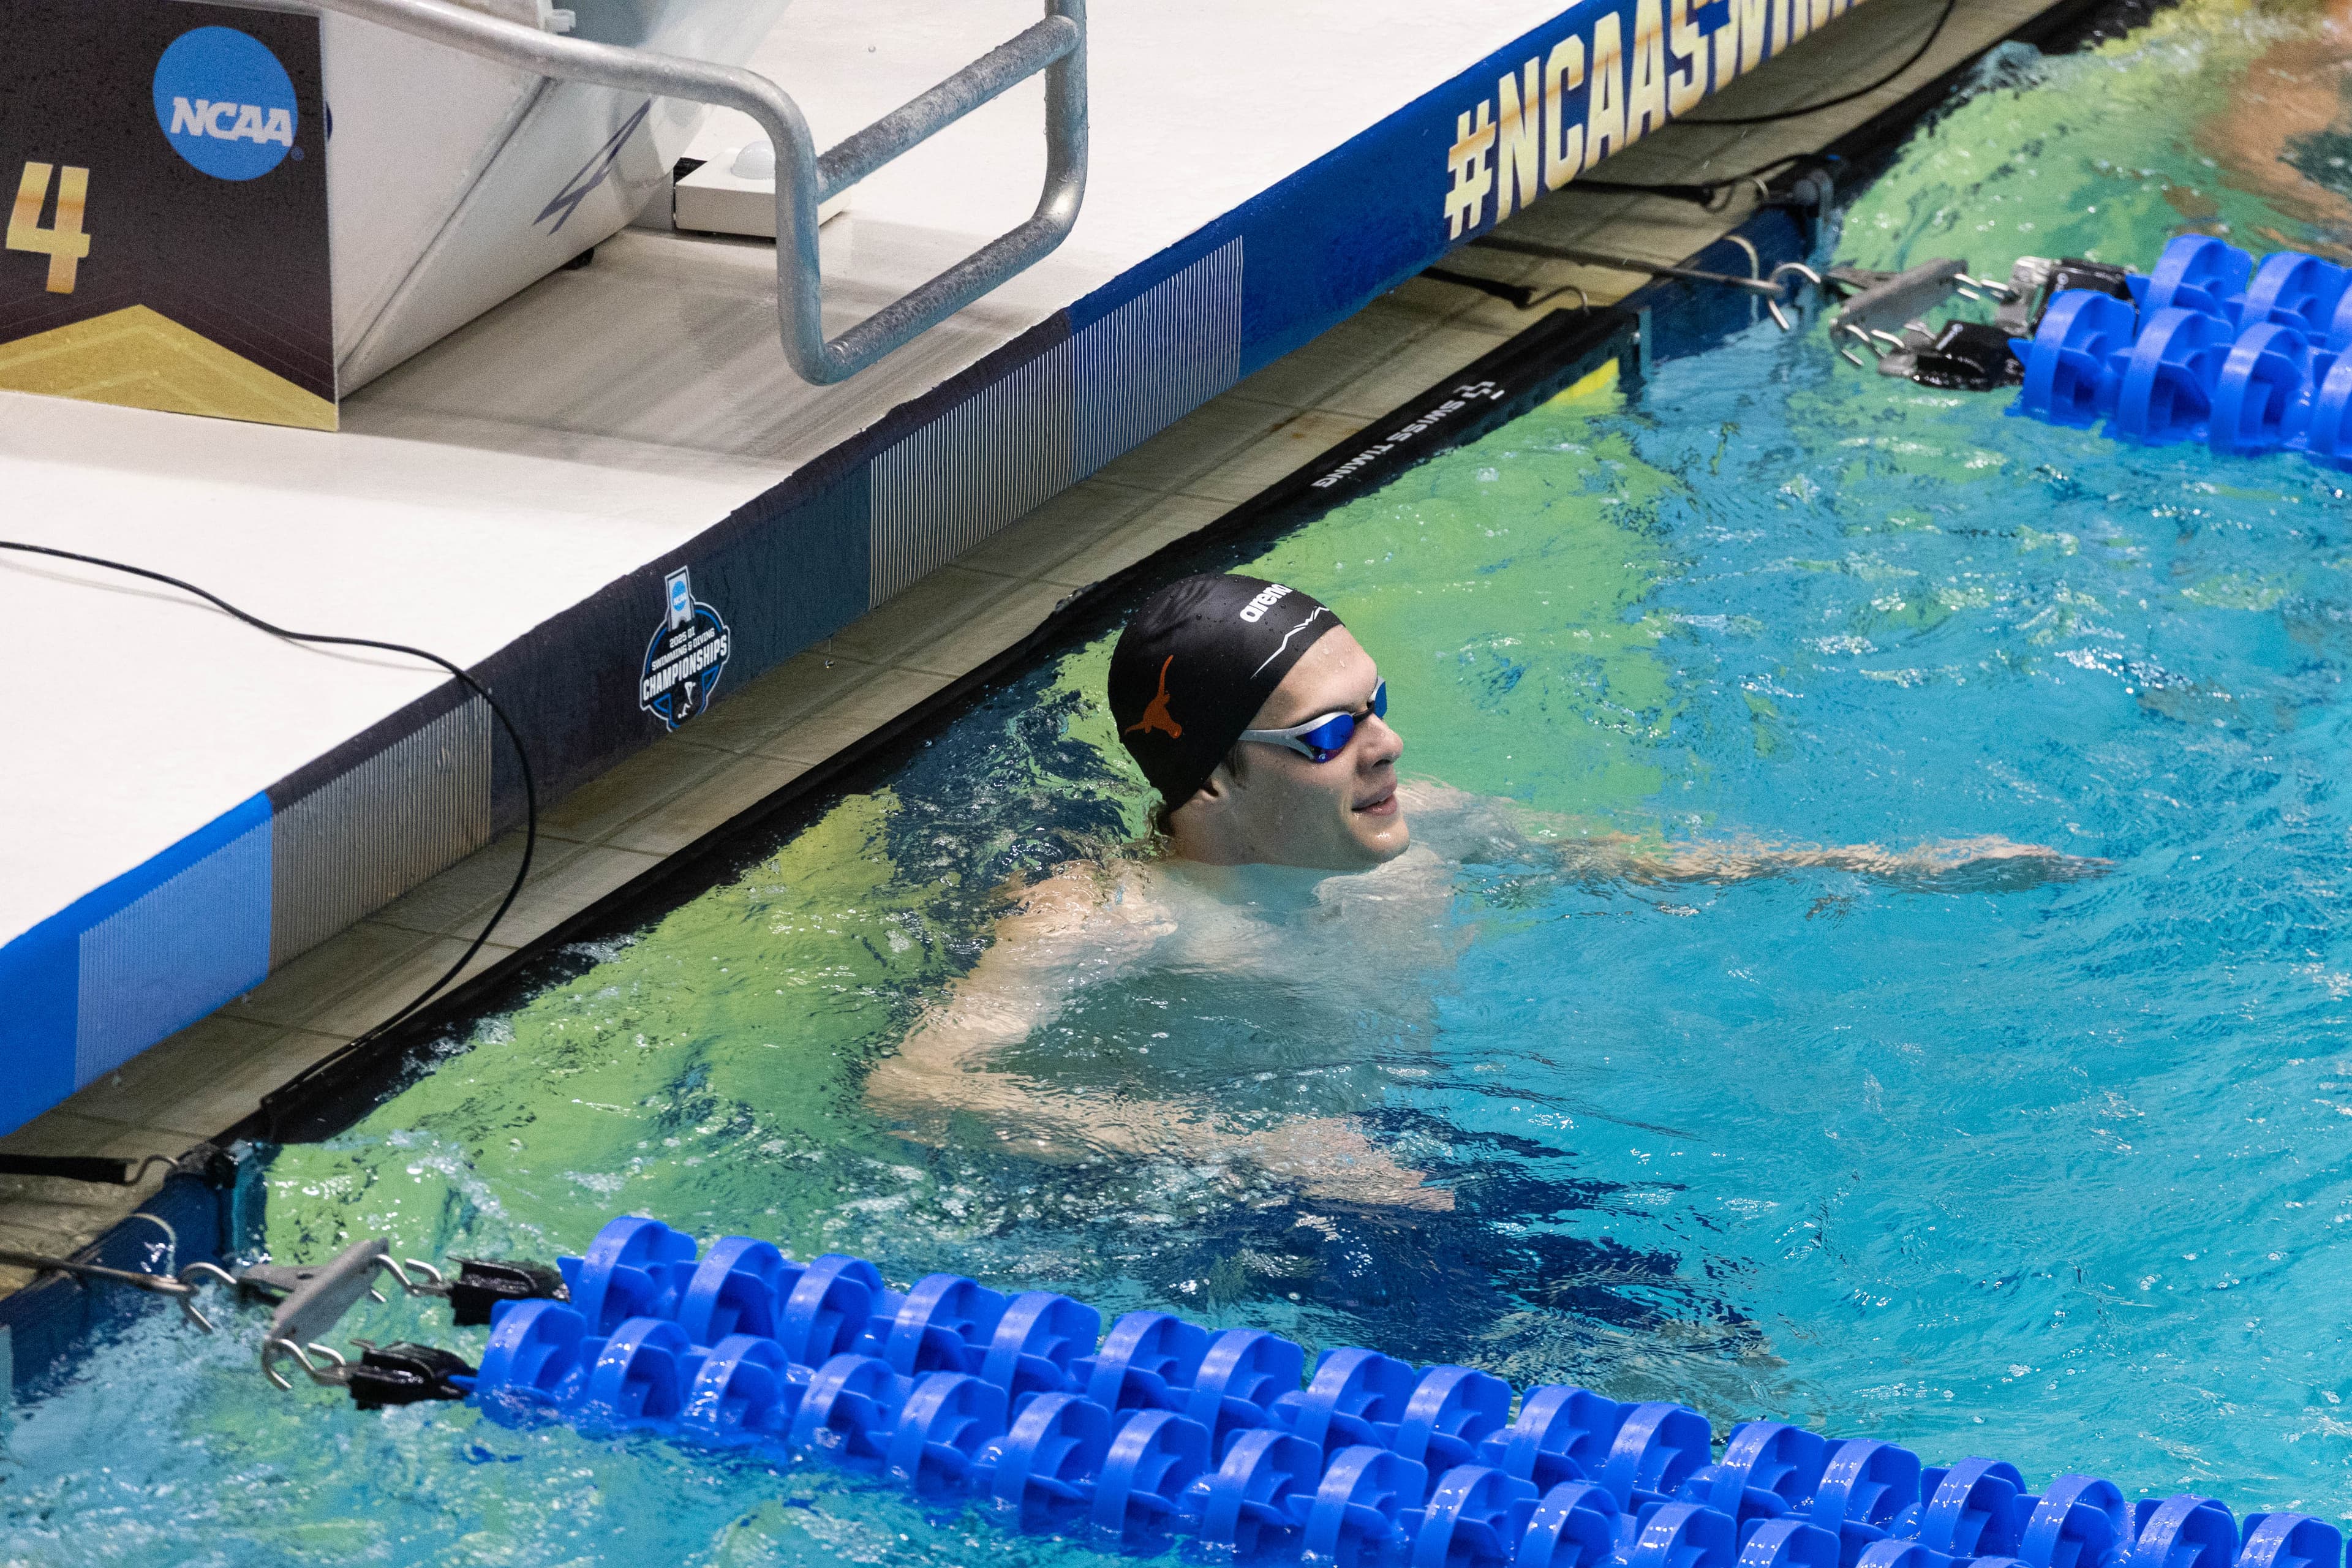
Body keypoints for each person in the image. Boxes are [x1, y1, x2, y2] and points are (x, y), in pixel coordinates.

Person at [865, 574, 2103, 1209]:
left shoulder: (1434, 820)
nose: (1388, 747)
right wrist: (1239, 1147)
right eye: (1329, 733)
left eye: (1378, 707)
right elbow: (912, 1087)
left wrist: (1880, 873)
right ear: (1218, 784)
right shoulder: (1115, 921)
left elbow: (1642, 857)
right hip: (1233, 1193)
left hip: (1389, 1140)